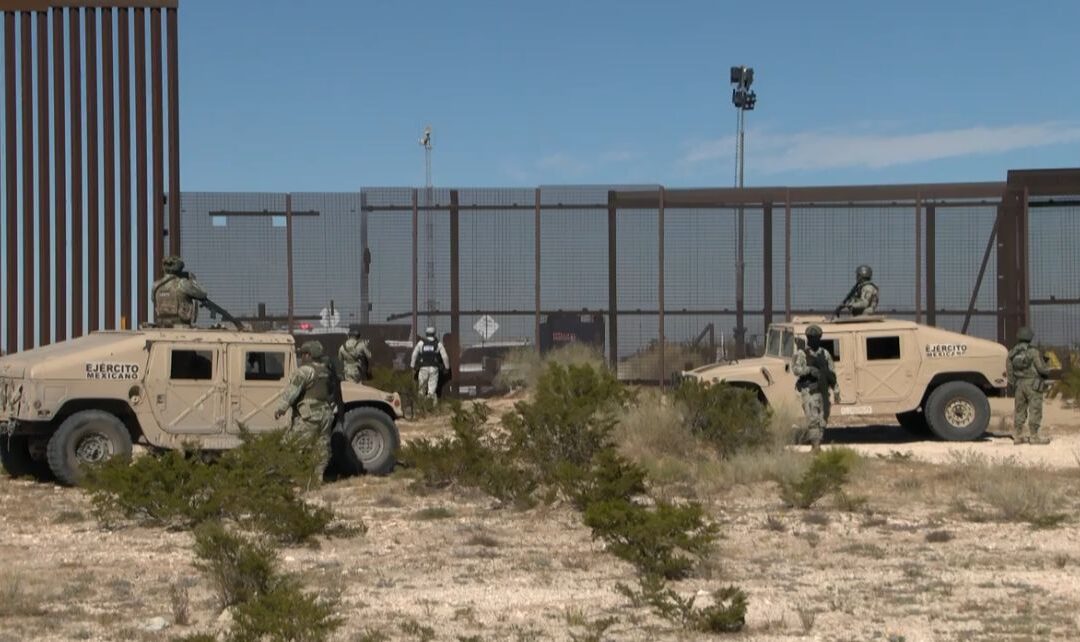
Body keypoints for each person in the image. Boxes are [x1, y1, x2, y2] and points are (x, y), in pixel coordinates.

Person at [274, 341, 336, 484]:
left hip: (309, 416)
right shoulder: (326, 371)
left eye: (303, 354)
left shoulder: (305, 371)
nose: (302, 357)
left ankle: (292, 478)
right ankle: (318, 478)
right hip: (326, 414)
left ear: (308, 354)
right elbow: (330, 392)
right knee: (321, 446)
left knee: (292, 445)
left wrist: (281, 408)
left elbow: (293, 391)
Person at [791, 325, 838, 452]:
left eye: (816, 338)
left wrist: (836, 389)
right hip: (809, 391)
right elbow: (795, 369)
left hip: (823, 391)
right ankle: (815, 446)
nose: (814, 340)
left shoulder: (825, 354)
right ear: (808, 339)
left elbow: (831, 373)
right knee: (813, 420)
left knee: (822, 419)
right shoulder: (802, 354)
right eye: (811, 338)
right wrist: (809, 370)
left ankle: (818, 443)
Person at [1007, 326, 1051, 445]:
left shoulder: (1012, 353)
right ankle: (1034, 436)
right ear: (1030, 337)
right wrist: (1047, 369)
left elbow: (1009, 371)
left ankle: (1017, 436)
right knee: (1035, 409)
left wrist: (1012, 383)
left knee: (1019, 410)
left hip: (1019, 384)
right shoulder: (1033, 352)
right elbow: (1041, 369)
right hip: (1033, 384)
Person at [152, 255, 208, 328]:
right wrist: (192, 279)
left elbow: (154, 300)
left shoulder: (156, 285)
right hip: (181, 325)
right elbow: (203, 294)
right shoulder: (183, 283)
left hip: (162, 325)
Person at [410, 326, 449, 400]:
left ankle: (421, 404)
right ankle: (430, 403)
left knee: (421, 389)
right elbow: (445, 357)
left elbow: (414, 354)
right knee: (432, 390)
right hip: (434, 369)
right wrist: (447, 368)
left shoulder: (421, 343)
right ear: (434, 333)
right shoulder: (438, 344)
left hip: (423, 368)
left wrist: (412, 366)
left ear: (426, 333)